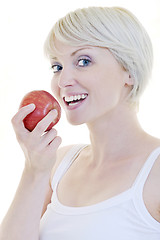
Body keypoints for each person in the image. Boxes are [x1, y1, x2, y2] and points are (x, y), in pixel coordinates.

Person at [0, 6, 160, 240]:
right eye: (57, 67)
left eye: (83, 61)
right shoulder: (59, 164)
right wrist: (35, 170)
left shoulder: (156, 170)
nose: (63, 81)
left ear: (129, 71)